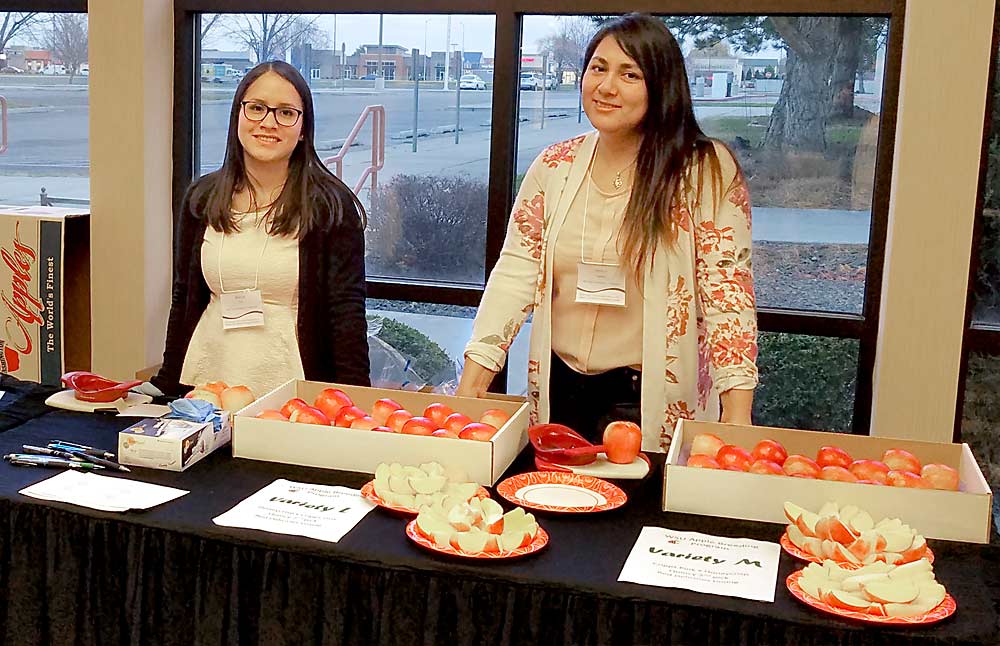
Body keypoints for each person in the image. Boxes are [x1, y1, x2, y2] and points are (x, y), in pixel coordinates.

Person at [457, 14, 758, 450]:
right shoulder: (554, 165)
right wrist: (476, 374)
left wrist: (737, 412)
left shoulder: (702, 170)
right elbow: (516, 271)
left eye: (629, 74)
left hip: (646, 397)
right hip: (561, 389)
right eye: (598, 68)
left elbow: (727, 291)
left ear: (661, 85)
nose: (606, 86)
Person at [150, 60, 370, 398]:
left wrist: (354, 403)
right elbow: (184, 298)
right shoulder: (202, 198)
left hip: (293, 394)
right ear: (238, 114)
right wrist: (165, 385)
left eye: (285, 112)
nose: (268, 123)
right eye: (256, 108)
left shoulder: (330, 206)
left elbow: (346, 312)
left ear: (303, 126)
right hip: (207, 385)